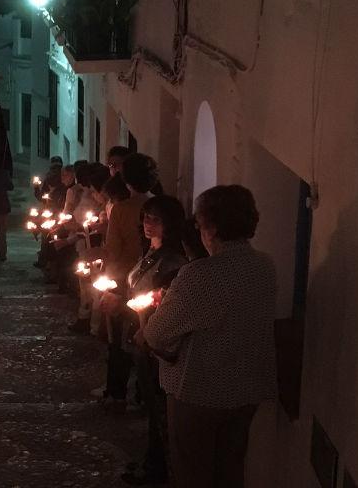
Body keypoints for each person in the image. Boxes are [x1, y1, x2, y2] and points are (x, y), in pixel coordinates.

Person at [142, 185, 277, 488]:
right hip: (247, 389)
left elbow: (156, 332)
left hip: (201, 391)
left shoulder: (202, 274)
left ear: (212, 228)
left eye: (200, 223)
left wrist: (155, 312)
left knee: (193, 472)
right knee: (231, 469)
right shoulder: (265, 266)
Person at [119, 196, 189, 486]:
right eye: (146, 217)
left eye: (156, 219)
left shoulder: (174, 262)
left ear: (170, 223)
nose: (148, 223)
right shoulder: (150, 253)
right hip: (141, 337)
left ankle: (158, 469)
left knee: (160, 410)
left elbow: (167, 304)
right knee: (150, 404)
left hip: (156, 343)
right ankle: (152, 462)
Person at [91, 153, 159, 408]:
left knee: (118, 338)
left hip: (124, 280)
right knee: (147, 337)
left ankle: (116, 393)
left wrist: (102, 276)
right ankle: (144, 395)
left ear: (126, 180)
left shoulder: (121, 209)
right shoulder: (162, 205)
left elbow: (113, 250)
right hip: (153, 282)